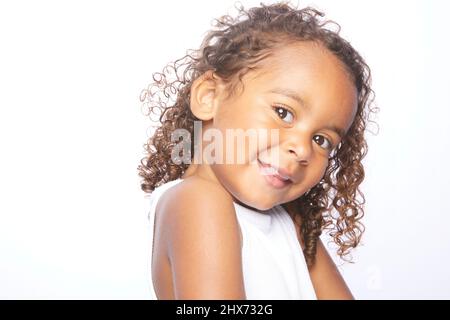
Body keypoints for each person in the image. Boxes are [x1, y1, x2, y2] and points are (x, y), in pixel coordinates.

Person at [138, 1, 376, 300]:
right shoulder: (197, 200)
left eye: (321, 140)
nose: (302, 149)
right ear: (210, 96)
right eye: (283, 112)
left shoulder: (291, 223)